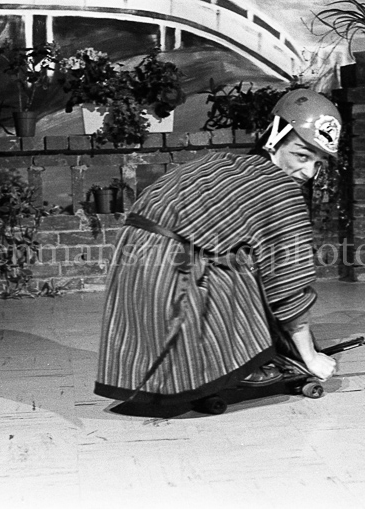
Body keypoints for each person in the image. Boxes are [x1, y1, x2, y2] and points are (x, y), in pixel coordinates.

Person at [95, 89, 343, 405]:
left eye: (318, 163)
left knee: (234, 251)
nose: (308, 173)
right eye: (302, 155)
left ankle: (198, 361)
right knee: (250, 264)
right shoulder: (281, 191)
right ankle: (234, 363)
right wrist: (310, 358)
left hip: (131, 284)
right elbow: (287, 287)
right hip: (173, 285)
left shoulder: (225, 163)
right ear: (276, 137)